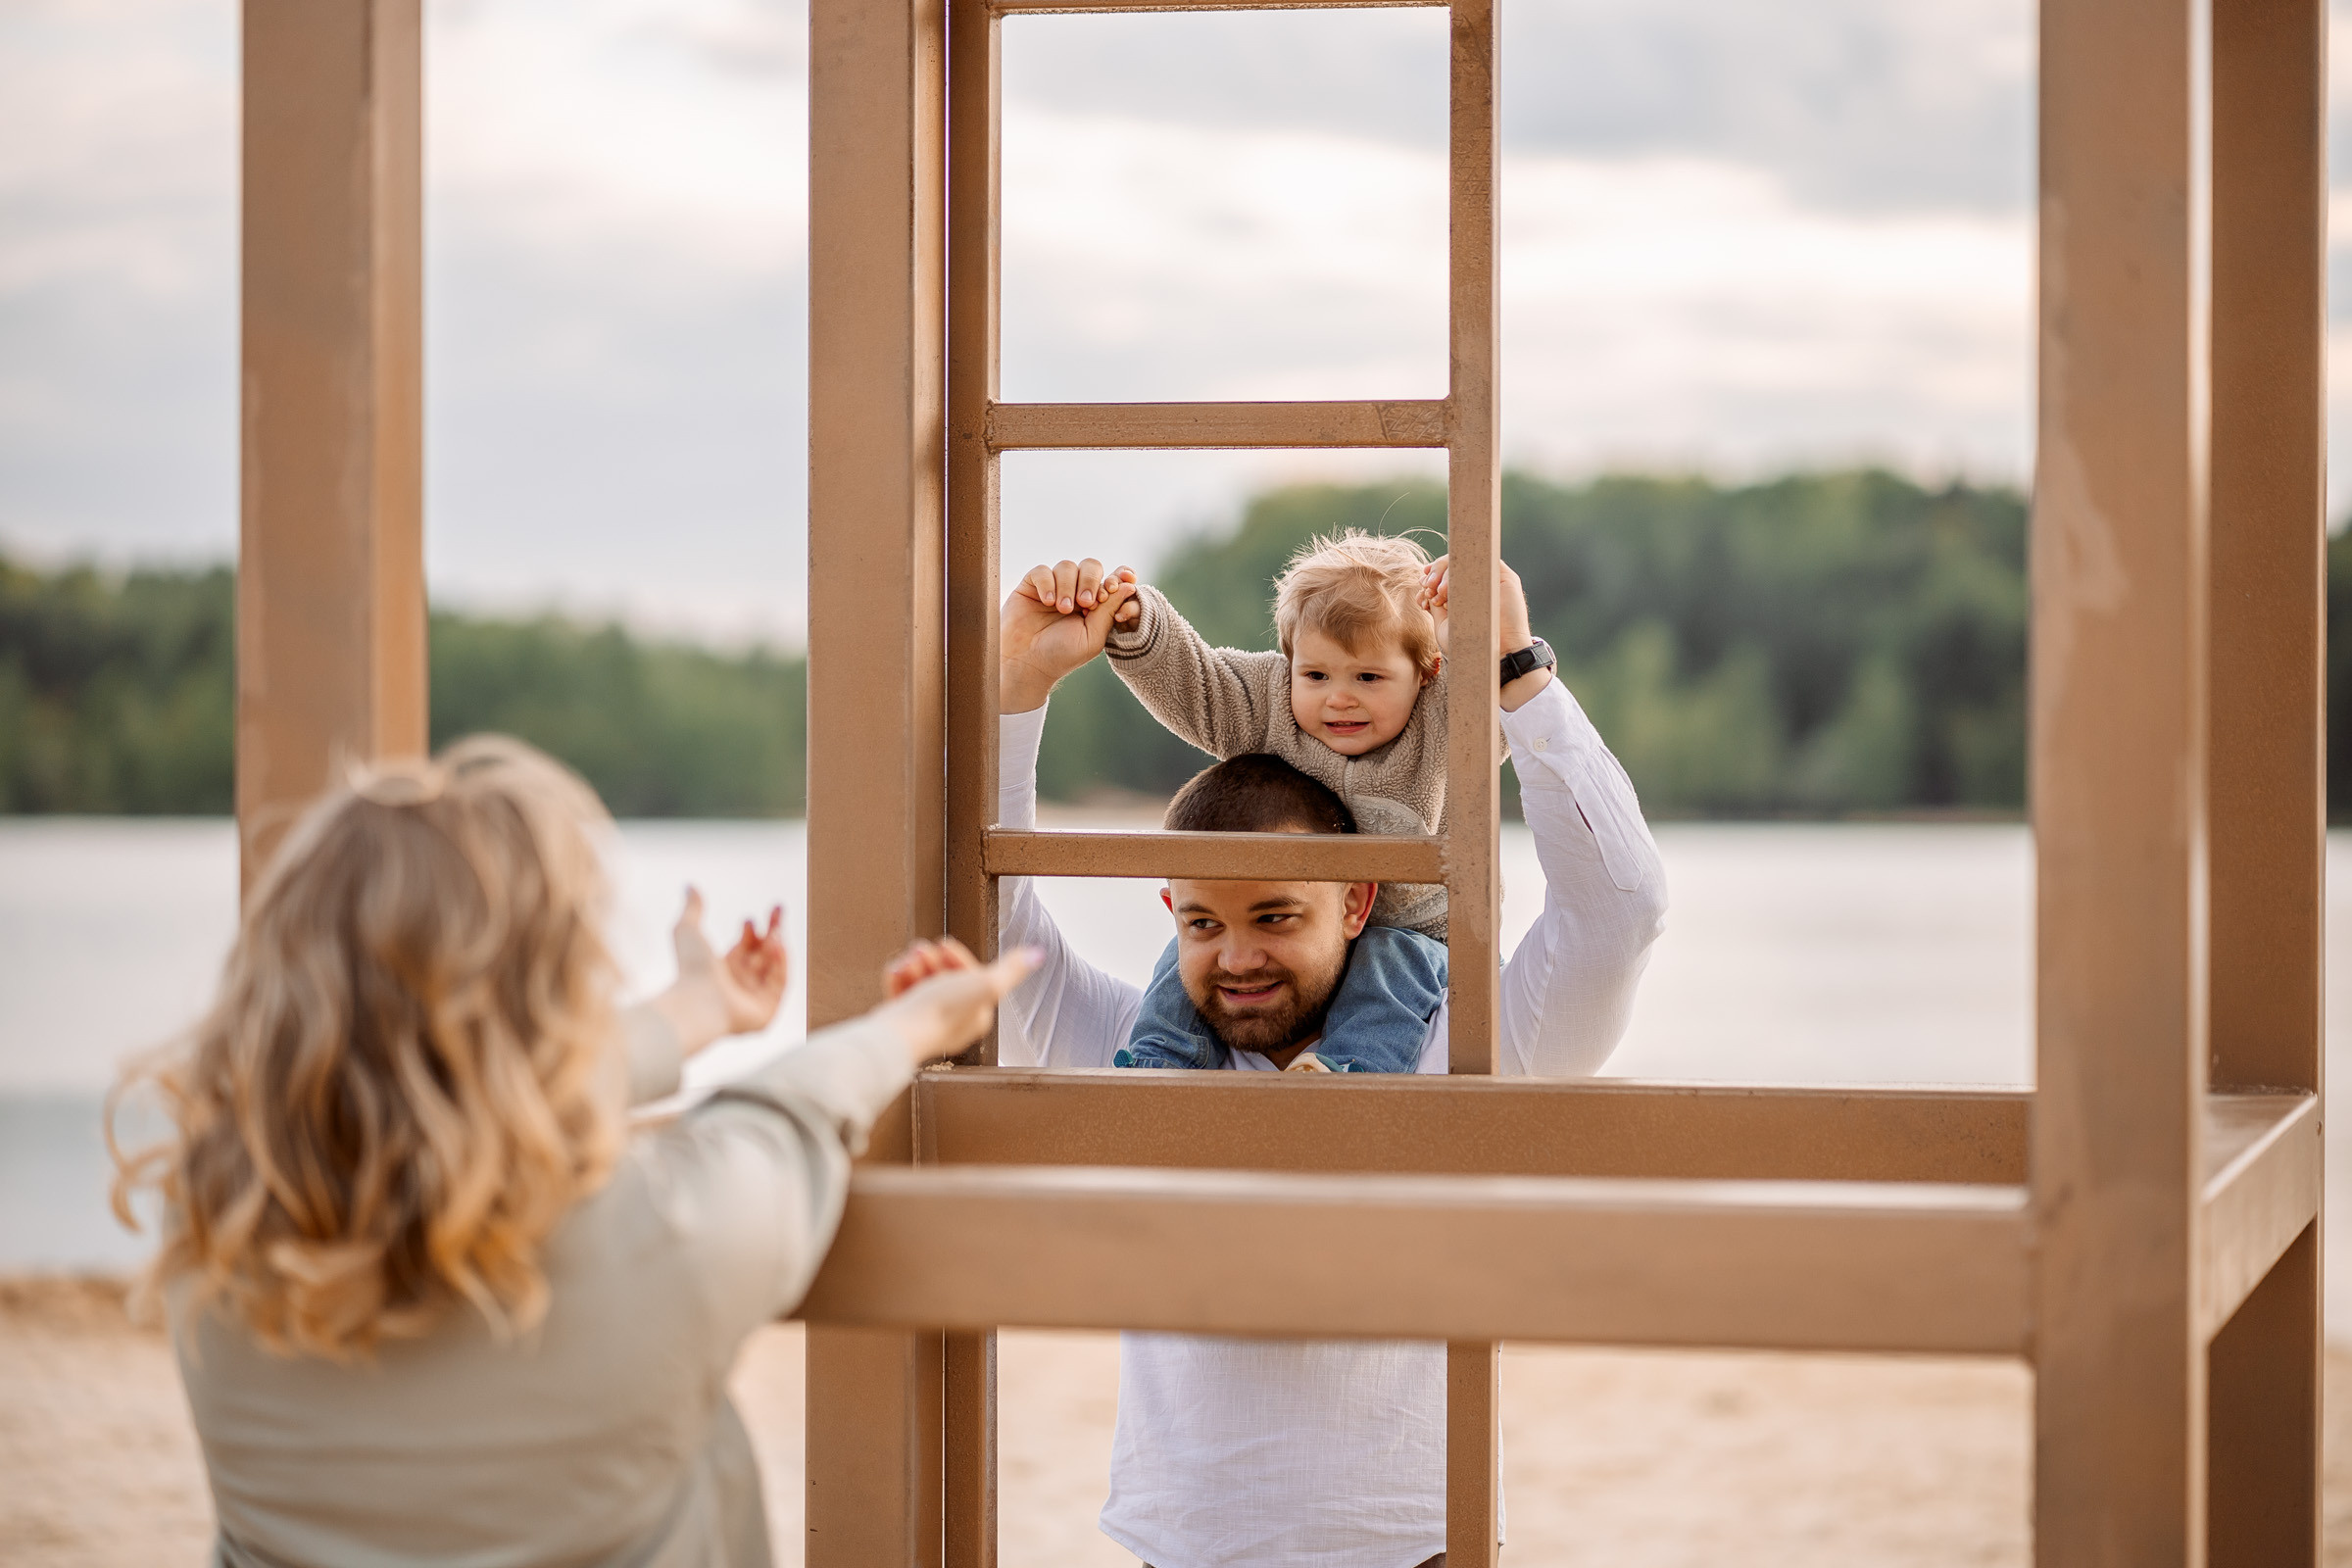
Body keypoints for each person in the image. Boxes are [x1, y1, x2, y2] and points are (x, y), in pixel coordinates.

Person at [109, 734, 1034, 1568]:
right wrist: (909, 1028)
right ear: (547, 991)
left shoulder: (213, 1250)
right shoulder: (661, 1243)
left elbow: (465, 1092)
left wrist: (700, 1010)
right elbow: (783, 1112)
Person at [969, 553, 1670, 1568]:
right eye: (1204, 922)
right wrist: (1019, 692)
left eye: (1276, 916)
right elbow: (997, 930)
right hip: (1184, 1549)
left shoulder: (1462, 1049)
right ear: (1169, 913)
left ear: (1358, 902)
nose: (1237, 955)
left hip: (1420, 1546)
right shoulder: (1139, 1056)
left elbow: (1623, 910)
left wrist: (1517, 668)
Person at [1014, 533, 1463, 1076]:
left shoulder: (1439, 725)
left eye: (1368, 677)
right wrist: (1138, 626)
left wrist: (1487, 643)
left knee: (1388, 970)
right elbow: (1202, 685)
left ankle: (1348, 1076)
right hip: (1314, 919)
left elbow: (1498, 711)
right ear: (1289, 663)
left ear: (1427, 671)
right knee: (1180, 967)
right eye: (1316, 675)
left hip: (1415, 930)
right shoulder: (1273, 706)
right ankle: (1158, 1065)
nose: (1338, 697)